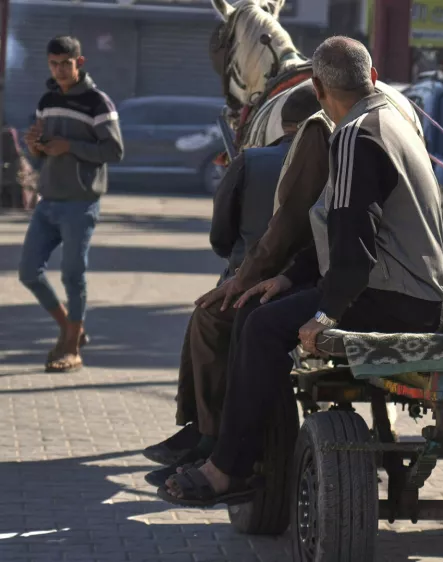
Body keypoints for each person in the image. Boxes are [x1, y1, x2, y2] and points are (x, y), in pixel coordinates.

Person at [159, 36, 443, 506]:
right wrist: (290, 278)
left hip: (392, 297)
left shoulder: (355, 134)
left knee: (259, 329)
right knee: (265, 310)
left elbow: (355, 244)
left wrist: (325, 315)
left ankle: (231, 468)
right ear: (372, 77)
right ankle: (243, 458)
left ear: (317, 86)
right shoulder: (392, 118)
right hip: (407, 291)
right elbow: (342, 228)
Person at [141, 86, 322, 487]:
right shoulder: (343, 159)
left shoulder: (254, 161)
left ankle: (207, 435)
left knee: (209, 319)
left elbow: (222, 238)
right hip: (324, 283)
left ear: (282, 124)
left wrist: (245, 272)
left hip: (272, 285)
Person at [19, 35, 123, 373]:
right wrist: (35, 145)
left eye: (66, 63)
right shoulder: (47, 99)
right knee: (28, 273)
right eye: (54, 63)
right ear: (48, 63)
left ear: (80, 62)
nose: (60, 69)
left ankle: (72, 347)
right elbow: (41, 153)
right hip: (47, 201)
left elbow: (114, 151)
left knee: (72, 274)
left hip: (81, 203)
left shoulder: (98, 103)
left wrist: (70, 146)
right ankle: (71, 328)